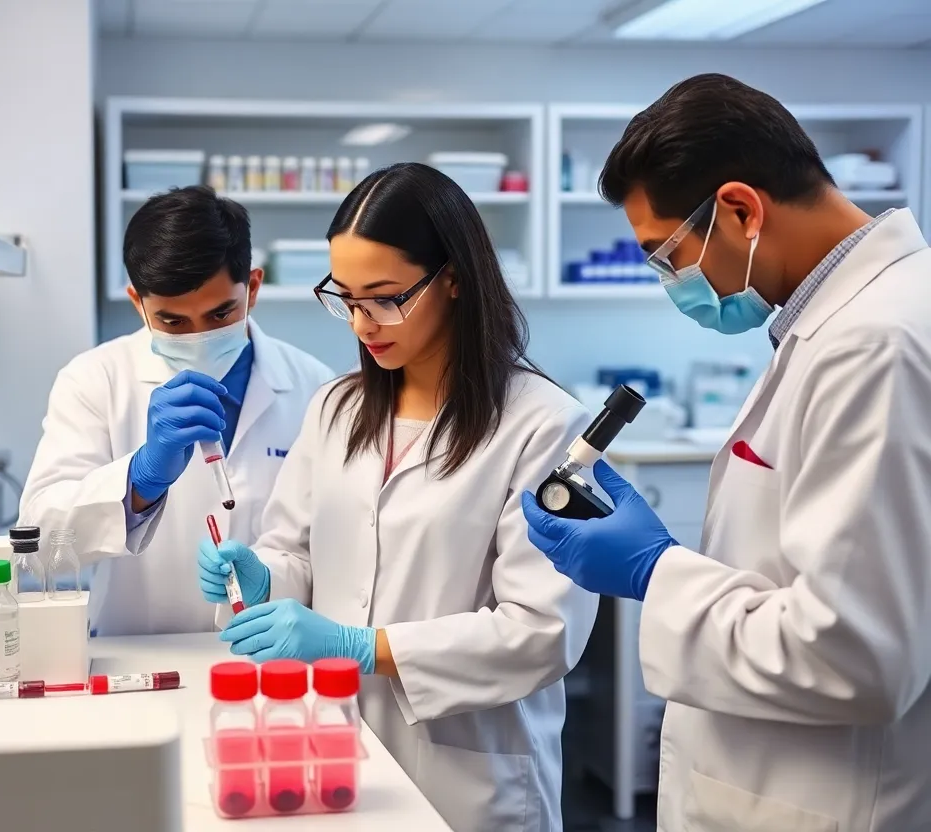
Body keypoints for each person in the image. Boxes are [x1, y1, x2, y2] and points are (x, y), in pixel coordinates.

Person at [521, 74, 931, 832]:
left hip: (828, 800)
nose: (668, 281)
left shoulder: (876, 344)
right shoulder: (829, 325)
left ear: (740, 210)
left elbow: (855, 657)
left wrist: (657, 570)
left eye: (664, 253)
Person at [197, 163, 599, 831]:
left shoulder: (545, 425)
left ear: (453, 279)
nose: (362, 323)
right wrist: (265, 579)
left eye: (384, 297)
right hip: (334, 749)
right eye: (346, 298)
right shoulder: (336, 407)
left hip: (471, 778)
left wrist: (364, 646)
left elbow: (541, 632)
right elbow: (297, 551)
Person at [19, 186, 334, 636]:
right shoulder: (94, 380)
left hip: (272, 662)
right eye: (172, 321)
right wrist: (138, 482)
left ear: (254, 288)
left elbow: (331, 547)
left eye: (221, 314)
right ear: (137, 302)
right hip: (136, 661)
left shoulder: (315, 387)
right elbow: (36, 544)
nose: (199, 336)